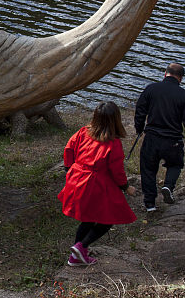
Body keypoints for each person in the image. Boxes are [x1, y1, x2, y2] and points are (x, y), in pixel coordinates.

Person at [57, 101, 136, 266]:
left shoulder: (83, 132)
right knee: (108, 218)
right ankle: (82, 246)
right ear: (116, 120)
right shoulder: (113, 143)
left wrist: (69, 171)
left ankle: (76, 256)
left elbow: (69, 150)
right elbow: (117, 172)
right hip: (94, 184)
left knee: (88, 218)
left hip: (76, 178)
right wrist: (126, 187)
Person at [134, 62, 185, 212]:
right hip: (173, 141)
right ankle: (168, 186)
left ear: (165, 74)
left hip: (151, 138)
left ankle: (150, 204)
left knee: (148, 170)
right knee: (175, 165)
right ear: (181, 79)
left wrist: (139, 129)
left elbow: (140, 111)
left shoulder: (151, 89)